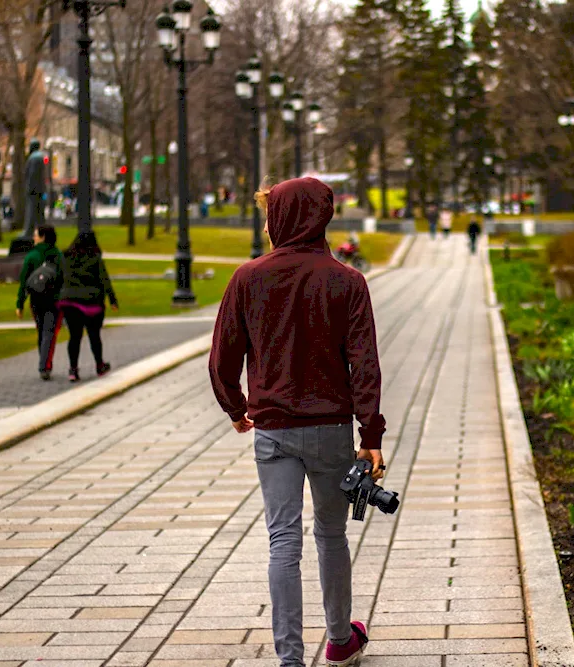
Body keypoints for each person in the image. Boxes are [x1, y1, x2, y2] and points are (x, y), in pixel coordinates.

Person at [210, 177, 386, 667]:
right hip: (331, 429)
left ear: (282, 219)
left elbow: (222, 358)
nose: (267, 225)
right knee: (330, 533)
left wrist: (235, 405)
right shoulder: (347, 282)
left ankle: (289, 658)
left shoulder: (247, 278)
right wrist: (370, 435)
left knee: (281, 538)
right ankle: (339, 639)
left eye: (270, 215)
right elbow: (365, 365)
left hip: (273, 430)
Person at [57, 232, 117, 382]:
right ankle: (99, 365)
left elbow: (59, 277)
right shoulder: (95, 259)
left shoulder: (66, 257)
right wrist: (112, 299)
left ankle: (73, 369)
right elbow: (104, 280)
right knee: (94, 335)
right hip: (90, 302)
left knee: (74, 337)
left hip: (69, 300)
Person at [16, 224, 64, 380]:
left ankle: (43, 362)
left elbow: (23, 281)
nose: (33, 237)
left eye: (36, 235)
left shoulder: (31, 256)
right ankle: (45, 365)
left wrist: (20, 303)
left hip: (36, 300)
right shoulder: (58, 255)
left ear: (43, 237)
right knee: (49, 333)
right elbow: (64, 278)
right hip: (54, 300)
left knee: (41, 331)